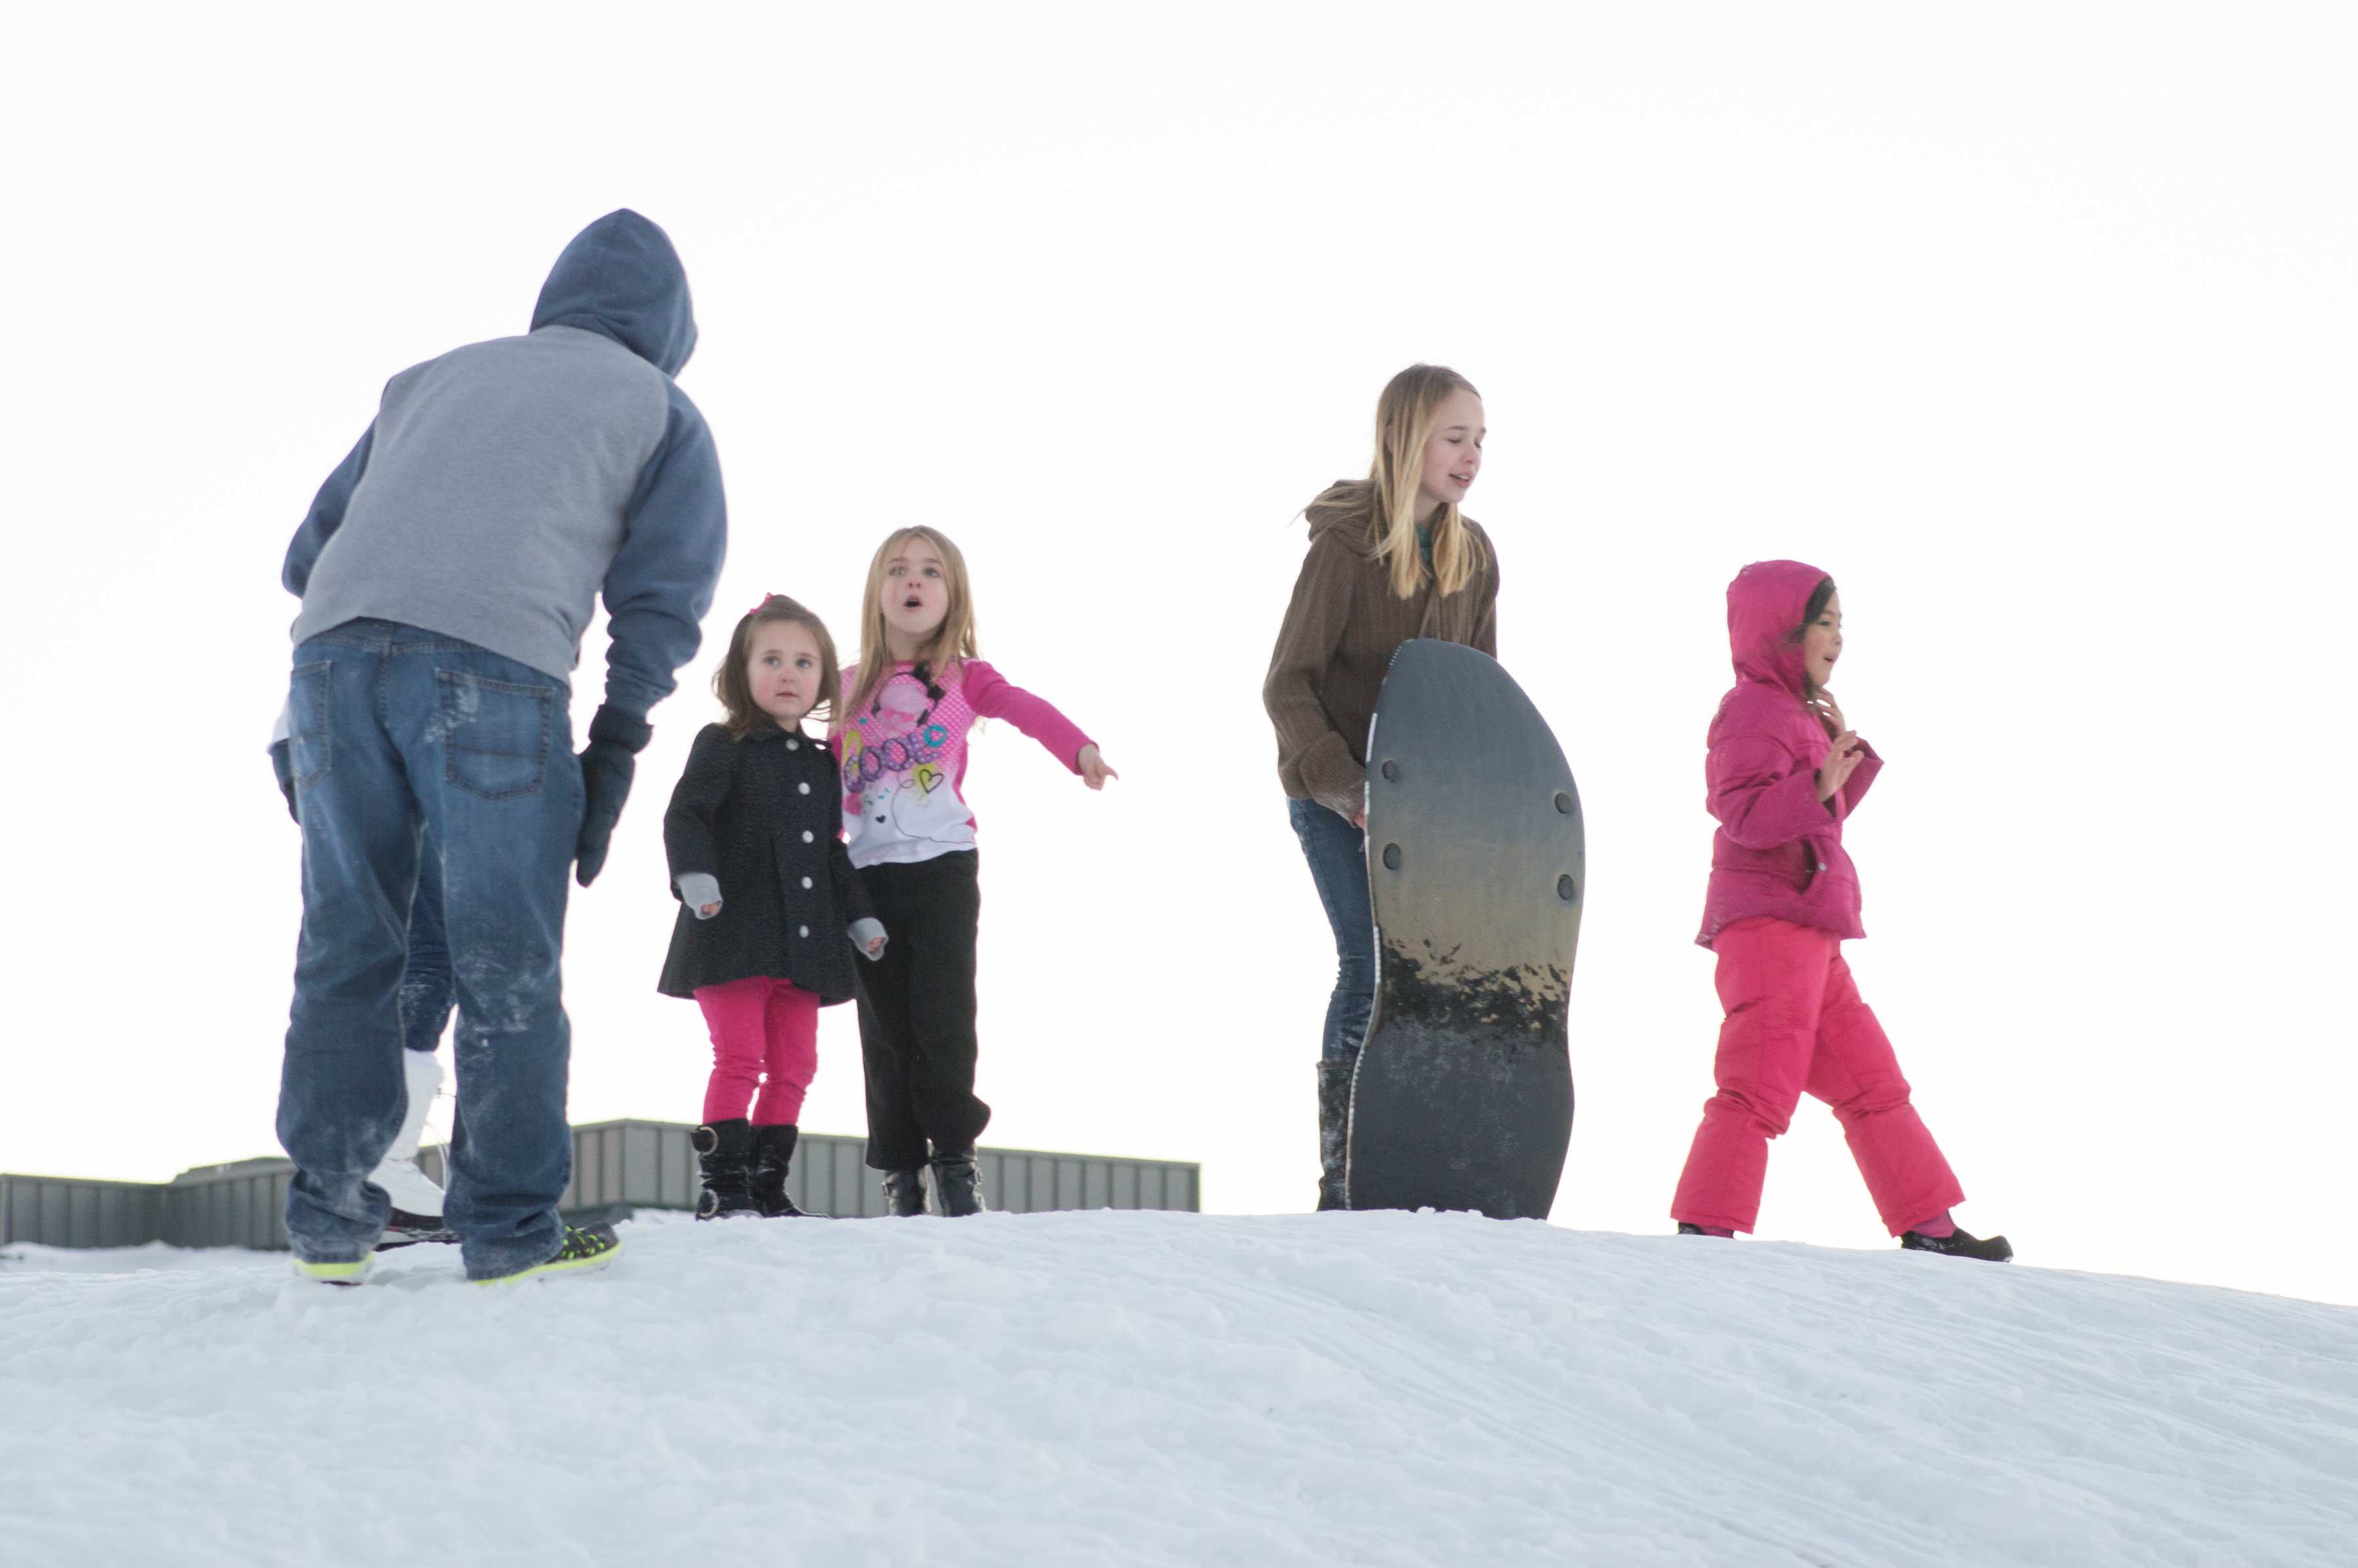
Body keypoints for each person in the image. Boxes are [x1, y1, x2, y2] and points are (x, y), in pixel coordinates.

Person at [275, 210, 727, 1285]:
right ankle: (513, 1231)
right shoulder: (659, 408)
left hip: (331, 664)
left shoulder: (430, 378)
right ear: (671, 330)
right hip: (493, 671)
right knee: (502, 956)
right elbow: (662, 597)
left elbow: (307, 554)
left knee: (348, 948)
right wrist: (617, 741)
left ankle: (330, 1226)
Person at [1668, 561, 2011, 1261]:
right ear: (1780, 631)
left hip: (1812, 930)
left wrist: (1836, 764)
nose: (1838, 637)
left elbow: (1814, 820)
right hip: (1770, 928)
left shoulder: (1793, 713)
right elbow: (1743, 814)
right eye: (1823, 623)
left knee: (1874, 1082)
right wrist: (1818, 780)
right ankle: (1706, 1231)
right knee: (1758, 1082)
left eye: (1840, 624)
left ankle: (1931, 1227)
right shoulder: (1750, 709)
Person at [1262, 364, 1499, 1210]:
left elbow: (1477, 693)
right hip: (1333, 797)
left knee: (1430, 980)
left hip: (1426, 811)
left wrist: (1475, 801)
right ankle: (1343, 1177)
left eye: (1480, 441)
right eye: (1454, 437)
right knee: (1366, 966)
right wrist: (1348, 788)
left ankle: (1412, 1165)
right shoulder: (1345, 546)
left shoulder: (1475, 559)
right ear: (1404, 439)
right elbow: (1286, 685)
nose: (1471, 456)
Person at [836, 527, 1115, 1216]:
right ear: (876, 592)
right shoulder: (845, 687)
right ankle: (901, 1178)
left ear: (953, 595)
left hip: (942, 869)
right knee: (885, 1031)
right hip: (864, 877)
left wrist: (1078, 750)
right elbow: (804, 760)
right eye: (898, 569)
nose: (914, 580)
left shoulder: (968, 678)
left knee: (944, 1018)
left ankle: (955, 1163)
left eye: (931, 571)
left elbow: (1027, 709)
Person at [660, 595, 886, 1219]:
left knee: (796, 1066)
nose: (789, 674)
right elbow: (687, 813)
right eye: (772, 660)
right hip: (730, 934)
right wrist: (695, 877)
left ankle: (767, 1187)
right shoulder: (722, 743)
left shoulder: (822, 762)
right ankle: (724, 1188)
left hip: (804, 943)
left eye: (805, 663)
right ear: (743, 671)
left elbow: (832, 852)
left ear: (824, 677)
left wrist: (861, 916)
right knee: (740, 1057)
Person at [271, 711, 455, 1248]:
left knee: (362, 950)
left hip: (317, 736)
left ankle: (352, 1174)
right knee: (428, 951)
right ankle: (381, 1171)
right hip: (380, 735)